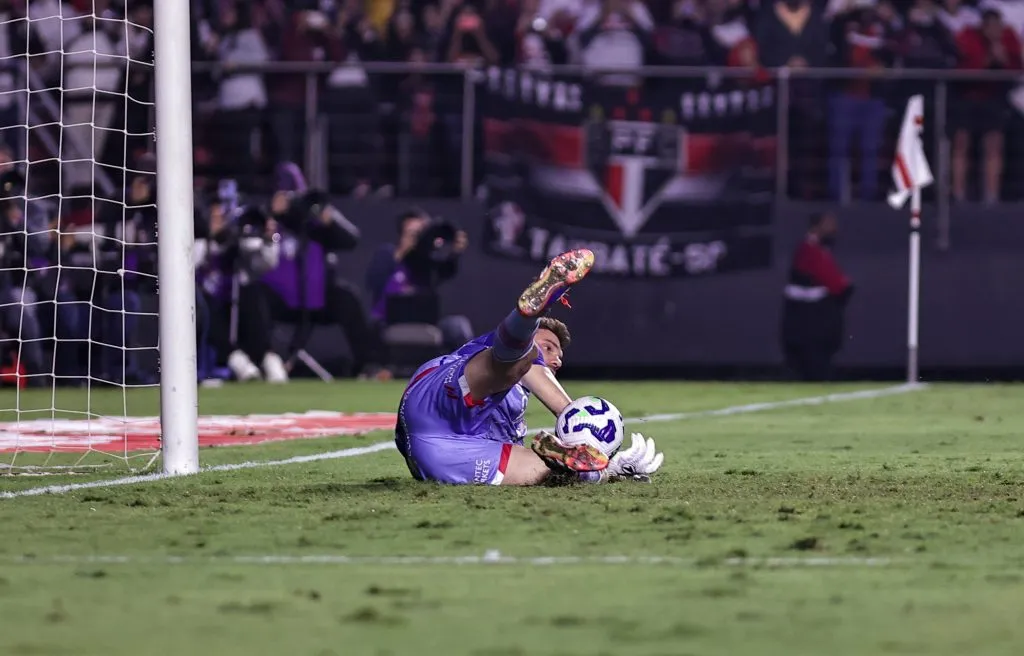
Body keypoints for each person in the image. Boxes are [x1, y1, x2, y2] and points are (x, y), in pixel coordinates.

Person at [395, 248, 665, 486]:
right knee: (517, 362)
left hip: (442, 453)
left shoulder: (515, 403)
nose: (556, 359)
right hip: (440, 393)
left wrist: (609, 467)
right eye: (549, 346)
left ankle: (585, 470)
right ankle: (528, 318)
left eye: (559, 355)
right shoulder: (518, 362)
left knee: (551, 473)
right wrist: (585, 427)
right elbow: (545, 383)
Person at [780, 212, 853, 381]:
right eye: (829, 224)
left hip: (813, 323)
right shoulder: (809, 251)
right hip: (809, 324)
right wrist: (843, 285)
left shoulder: (817, 250)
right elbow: (836, 283)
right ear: (817, 226)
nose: (834, 229)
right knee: (811, 368)